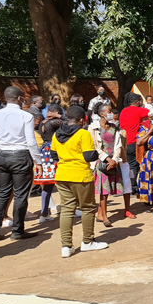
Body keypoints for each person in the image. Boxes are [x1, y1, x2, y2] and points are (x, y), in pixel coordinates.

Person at [0, 86, 41, 241]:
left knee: (3, 192)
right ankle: (17, 231)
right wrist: (38, 161)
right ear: (19, 98)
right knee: (21, 194)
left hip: (2, 155)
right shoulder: (26, 116)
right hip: (21, 156)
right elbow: (30, 141)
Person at [51, 106, 108, 258]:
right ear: (82, 120)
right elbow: (89, 156)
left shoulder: (57, 134)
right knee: (88, 208)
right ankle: (87, 241)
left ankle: (66, 246)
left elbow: (53, 155)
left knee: (67, 209)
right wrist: (97, 153)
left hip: (62, 175)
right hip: (81, 176)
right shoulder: (83, 133)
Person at [88, 103, 124, 227]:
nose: (111, 113)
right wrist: (107, 159)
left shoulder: (115, 127)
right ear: (102, 114)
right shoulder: (93, 128)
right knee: (103, 191)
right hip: (100, 162)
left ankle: (100, 213)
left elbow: (118, 145)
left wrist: (114, 159)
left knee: (107, 190)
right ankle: (105, 216)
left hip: (113, 162)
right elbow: (94, 146)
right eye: (109, 111)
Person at [120, 93, 149, 189]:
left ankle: (127, 183)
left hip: (124, 141)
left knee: (127, 164)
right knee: (133, 165)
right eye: (141, 101)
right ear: (138, 102)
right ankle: (132, 185)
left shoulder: (123, 111)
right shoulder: (139, 111)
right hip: (133, 141)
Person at [34, 119, 61, 224]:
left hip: (47, 169)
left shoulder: (44, 146)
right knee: (65, 188)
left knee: (47, 189)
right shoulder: (55, 145)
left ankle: (44, 213)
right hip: (56, 168)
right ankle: (72, 210)